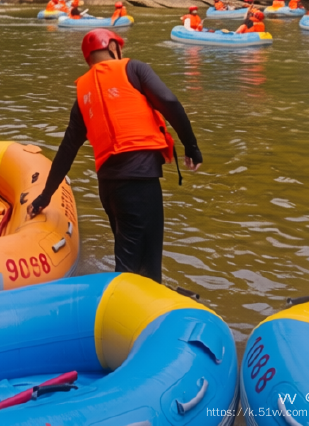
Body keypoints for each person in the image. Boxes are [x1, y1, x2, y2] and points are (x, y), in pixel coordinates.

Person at [27, 28, 202, 283]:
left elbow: (67, 150)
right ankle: (128, 314)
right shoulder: (134, 69)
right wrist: (191, 146)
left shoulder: (83, 94)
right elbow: (169, 101)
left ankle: (132, 306)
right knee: (143, 268)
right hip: (139, 181)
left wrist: (44, 196)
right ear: (112, 47)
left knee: (131, 257)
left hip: (109, 187)